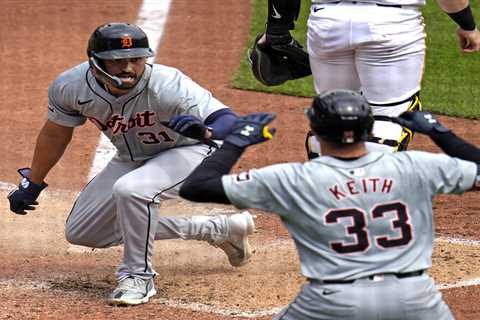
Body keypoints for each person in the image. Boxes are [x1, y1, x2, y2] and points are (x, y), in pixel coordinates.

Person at [7, 22, 256, 306]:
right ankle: (218, 229)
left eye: (136, 59)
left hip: (195, 150)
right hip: (134, 156)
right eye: (117, 61)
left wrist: (207, 132)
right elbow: (56, 132)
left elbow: (229, 121)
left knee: (132, 190)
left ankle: (139, 277)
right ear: (95, 63)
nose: (128, 67)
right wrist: (34, 181)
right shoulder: (70, 87)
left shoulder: (167, 84)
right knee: (83, 231)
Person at [178, 89, 480, 319]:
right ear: (369, 130)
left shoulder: (293, 179)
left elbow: (196, 187)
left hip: (330, 301)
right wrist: (439, 131)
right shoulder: (416, 166)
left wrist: (236, 141)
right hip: (415, 299)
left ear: (316, 132)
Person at [258, 0, 480, 157]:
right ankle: (376, 200)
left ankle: (329, 198)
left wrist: (277, 28)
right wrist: (467, 25)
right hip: (393, 23)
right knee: (390, 117)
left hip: (327, 22)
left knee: (332, 114)